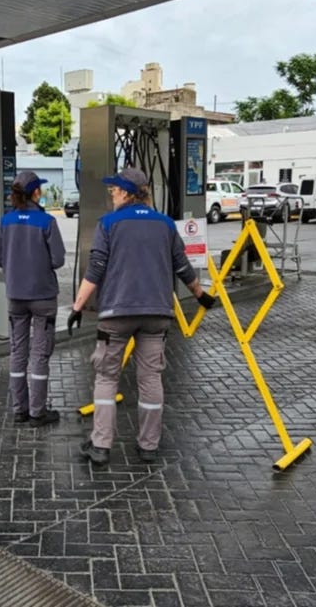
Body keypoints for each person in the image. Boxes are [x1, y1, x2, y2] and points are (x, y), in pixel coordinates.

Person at [68, 167, 213, 464]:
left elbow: (95, 270)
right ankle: (148, 446)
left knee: (107, 377)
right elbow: (182, 266)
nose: (111, 195)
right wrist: (200, 295)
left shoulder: (108, 224)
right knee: (150, 378)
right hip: (157, 314)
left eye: (114, 190)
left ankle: (101, 445)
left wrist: (77, 307)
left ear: (126, 192)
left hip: (116, 314)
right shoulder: (165, 225)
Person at [0, 171, 66, 427]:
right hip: (43, 296)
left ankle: (19, 409)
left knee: (17, 351)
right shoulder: (46, 222)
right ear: (36, 193)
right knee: (39, 354)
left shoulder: (5, 222)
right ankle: (37, 412)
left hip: (15, 296)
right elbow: (58, 260)